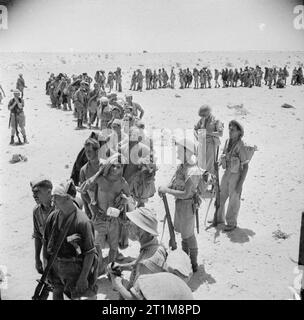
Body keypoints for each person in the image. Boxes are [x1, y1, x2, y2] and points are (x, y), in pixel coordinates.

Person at [43, 180, 98, 300]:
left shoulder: (83, 222)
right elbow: (45, 242)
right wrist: (45, 265)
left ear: (68, 198)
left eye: (56, 197)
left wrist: (83, 278)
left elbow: (90, 252)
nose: (53, 200)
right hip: (55, 268)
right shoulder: (52, 217)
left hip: (74, 271)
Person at [79, 153, 132, 274]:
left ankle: (111, 271)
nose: (115, 169)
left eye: (118, 167)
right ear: (108, 166)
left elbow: (130, 199)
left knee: (114, 247)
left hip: (114, 219)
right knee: (95, 245)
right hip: (99, 217)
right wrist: (99, 172)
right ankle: (97, 269)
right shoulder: (100, 179)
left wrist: (124, 200)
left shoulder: (122, 183)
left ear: (122, 168)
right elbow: (83, 188)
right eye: (113, 166)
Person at [158, 138, 201, 272]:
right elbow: (173, 181)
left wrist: (167, 191)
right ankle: (185, 260)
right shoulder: (182, 166)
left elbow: (186, 193)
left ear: (186, 151)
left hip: (187, 206)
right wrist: (165, 187)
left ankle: (193, 264)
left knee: (189, 234)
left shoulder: (193, 170)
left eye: (179, 151)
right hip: (180, 205)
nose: (177, 154)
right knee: (183, 233)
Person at [107, 207, 167, 298]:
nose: (127, 227)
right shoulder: (154, 244)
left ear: (141, 231)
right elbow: (138, 263)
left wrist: (117, 284)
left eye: (131, 225)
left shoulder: (146, 263)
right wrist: (122, 267)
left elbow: (134, 298)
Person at [215, 120, 249, 231]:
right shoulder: (227, 142)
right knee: (221, 194)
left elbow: (245, 166)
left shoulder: (240, 145)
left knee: (234, 199)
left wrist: (240, 184)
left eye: (233, 130)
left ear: (239, 132)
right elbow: (224, 155)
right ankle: (218, 218)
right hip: (227, 173)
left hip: (236, 175)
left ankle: (231, 223)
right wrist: (219, 163)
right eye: (229, 129)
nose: (230, 131)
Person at [30, 178, 55, 275]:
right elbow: (38, 236)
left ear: (49, 192)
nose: (34, 196)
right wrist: (37, 259)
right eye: (33, 193)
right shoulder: (36, 211)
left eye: (37, 192)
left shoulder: (59, 207)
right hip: (47, 252)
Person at [194, 105, 223, 174]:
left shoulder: (216, 121)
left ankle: (209, 180)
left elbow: (220, 134)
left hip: (211, 144)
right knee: (200, 164)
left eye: (204, 115)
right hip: (201, 143)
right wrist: (197, 135)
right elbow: (195, 129)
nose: (203, 117)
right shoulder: (201, 120)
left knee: (209, 164)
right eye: (201, 116)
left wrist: (209, 132)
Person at [79, 138, 100, 219]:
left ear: (97, 151)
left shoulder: (106, 166)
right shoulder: (83, 170)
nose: (87, 154)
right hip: (93, 207)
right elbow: (83, 192)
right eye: (86, 151)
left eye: (89, 151)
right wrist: (87, 208)